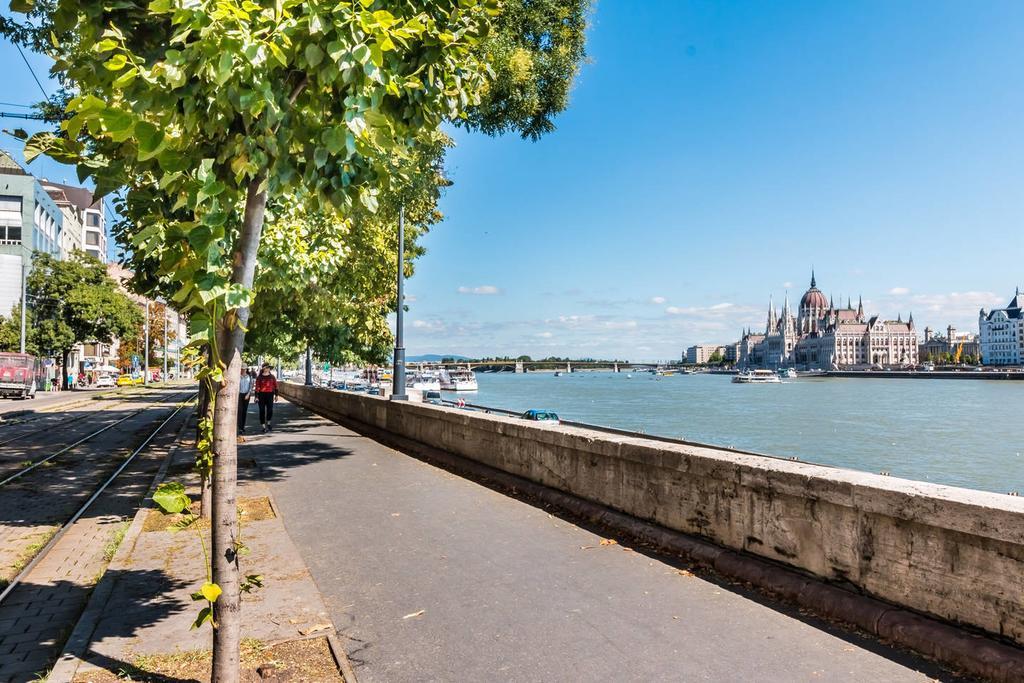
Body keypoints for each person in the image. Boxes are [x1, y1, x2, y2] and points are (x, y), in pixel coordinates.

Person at [254, 363, 278, 432]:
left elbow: (276, 386)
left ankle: (269, 423)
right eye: (267, 367)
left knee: (270, 410)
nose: (268, 369)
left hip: (270, 394)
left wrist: (276, 395)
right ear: (263, 368)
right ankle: (263, 426)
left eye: (269, 368)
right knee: (262, 411)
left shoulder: (272, 377)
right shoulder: (259, 377)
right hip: (261, 395)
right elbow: (257, 388)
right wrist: (256, 397)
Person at [238, 365, 253, 433]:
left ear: (246, 369)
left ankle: (243, 426)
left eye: (244, 369)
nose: (243, 370)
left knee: (244, 411)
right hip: (239, 394)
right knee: (240, 411)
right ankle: (240, 427)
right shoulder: (238, 377)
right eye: (242, 369)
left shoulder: (249, 377)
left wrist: (248, 394)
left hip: (247, 395)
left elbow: (251, 386)